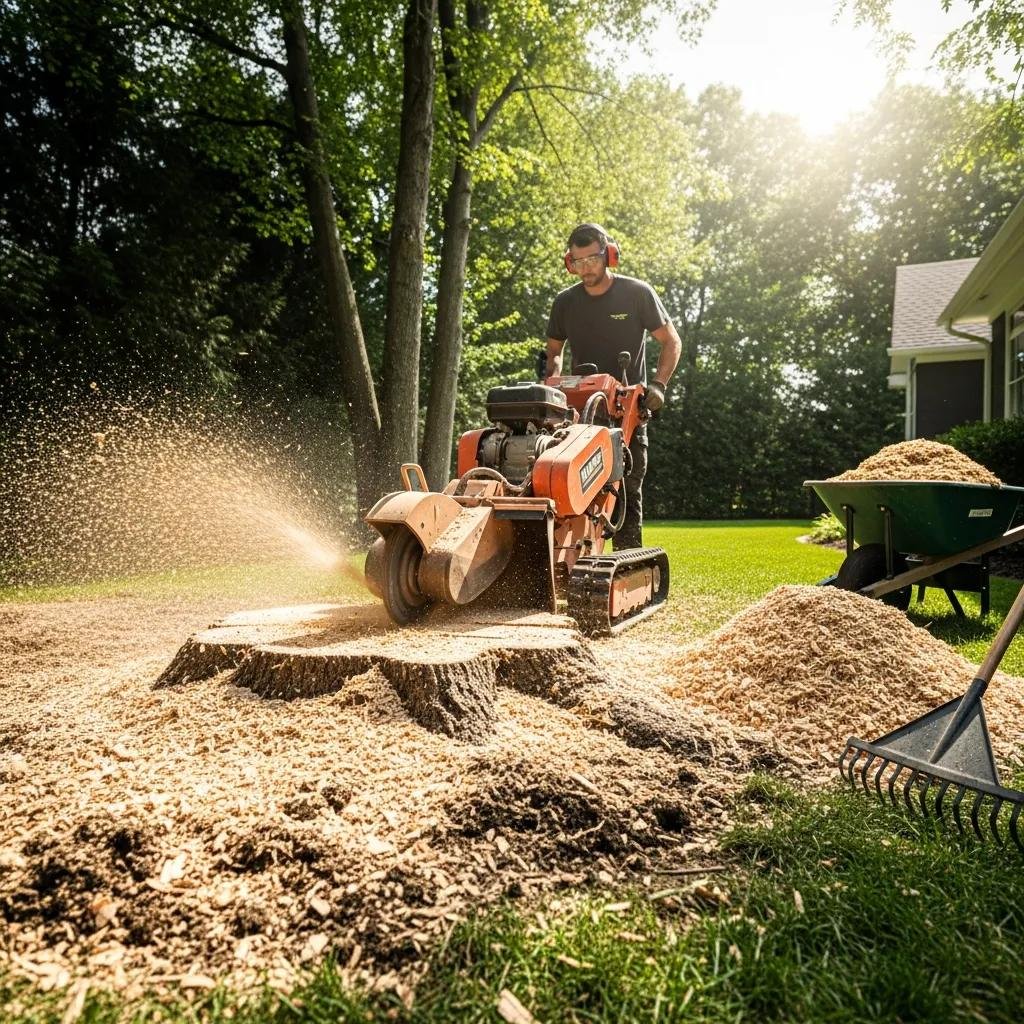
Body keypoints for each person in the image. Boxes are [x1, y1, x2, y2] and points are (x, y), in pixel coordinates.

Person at [545, 222, 681, 550]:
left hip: (627, 411)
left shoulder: (636, 294)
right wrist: (550, 385)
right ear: (569, 262)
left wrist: (658, 386)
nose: (585, 269)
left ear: (609, 255)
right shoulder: (565, 302)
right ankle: (572, 561)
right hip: (578, 415)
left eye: (591, 259)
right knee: (564, 485)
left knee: (625, 489)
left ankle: (626, 566)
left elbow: (671, 342)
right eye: (577, 262)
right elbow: (553, 353)